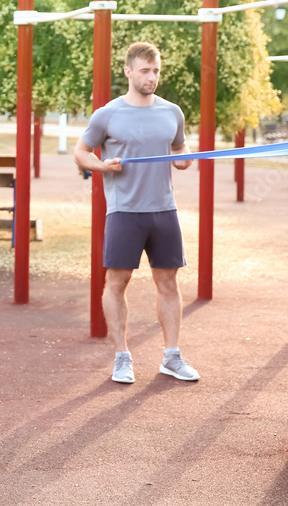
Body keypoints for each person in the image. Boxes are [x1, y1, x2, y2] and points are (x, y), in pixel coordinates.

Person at [73, 41, 200, 384]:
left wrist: (184, 157)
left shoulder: (172, 111)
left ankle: (171, 357)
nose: (152, 77)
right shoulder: (108, 114)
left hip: (164, 210)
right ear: (128, 71)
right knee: (117, 281)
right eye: (145, 71)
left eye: (156, 71)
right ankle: (121, 357)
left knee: (168, 282)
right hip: (125, 211)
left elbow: (180, 146)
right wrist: (101, 166)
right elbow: (81, 151)